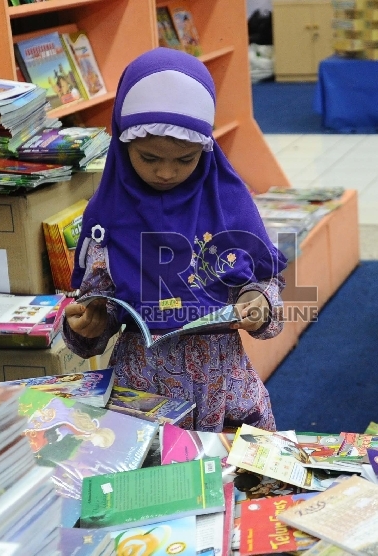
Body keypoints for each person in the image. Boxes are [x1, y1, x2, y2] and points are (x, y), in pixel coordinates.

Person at [63, 48, 287, 432]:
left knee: (234, 480)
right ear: (123, 144)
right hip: (143, 392)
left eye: (185, 160)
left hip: (223, 387)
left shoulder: (229, 203)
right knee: (151, 482)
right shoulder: (107, 216)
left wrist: (259, 303)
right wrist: (90, 323)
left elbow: (266, 284)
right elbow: (95, 316)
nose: (166, 172)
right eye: (149, 158)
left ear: (205, 148)